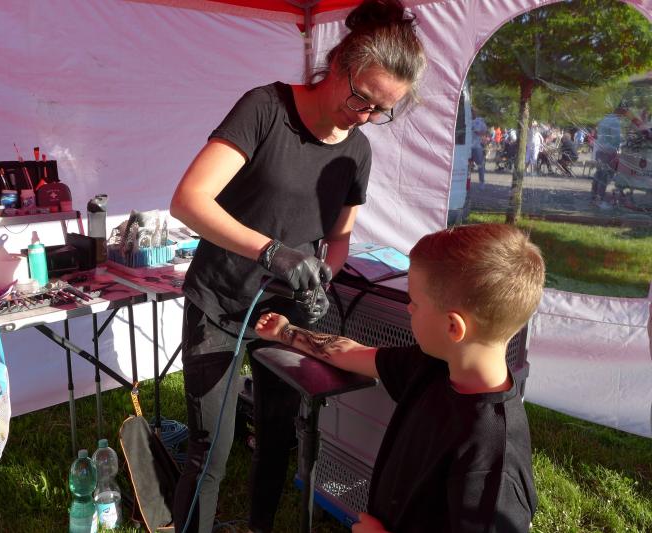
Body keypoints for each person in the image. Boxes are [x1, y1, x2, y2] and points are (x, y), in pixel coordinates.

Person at [168, 1, 427, 531]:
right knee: (209, 450)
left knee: (278, 437)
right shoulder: (265, 109)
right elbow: (189, 200)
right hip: (220, 302)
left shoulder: (356, 152)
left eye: (382, 110)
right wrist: (272, 251)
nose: (365, 116)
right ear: (339, 65)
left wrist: (324, 276)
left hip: (284, 317)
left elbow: (339, 238)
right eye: (361, 98)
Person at [255, 223, 545, 533]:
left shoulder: (493, 465)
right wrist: (285, 332)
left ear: (453, 327)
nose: (408, 308)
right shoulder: (434, 366)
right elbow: (351, 353)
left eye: (415, 303)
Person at [592, 109, 622, 208]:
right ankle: (599, 198)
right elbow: (616, 138)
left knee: (598, 174)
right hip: (609, 151)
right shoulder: (615, 121)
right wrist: (619, 146)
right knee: (605, 176)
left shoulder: (604, 119)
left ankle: (594, 196)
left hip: (599, 149)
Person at [470, 115, 488, 184]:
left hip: (476, 146)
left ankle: (481, 181)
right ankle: (465, 182)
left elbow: (484, 131)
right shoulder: (465, 119)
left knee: (480, 164)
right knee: (465, 165)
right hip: (466, 146)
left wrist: (478, 133)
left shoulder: (480, 122)